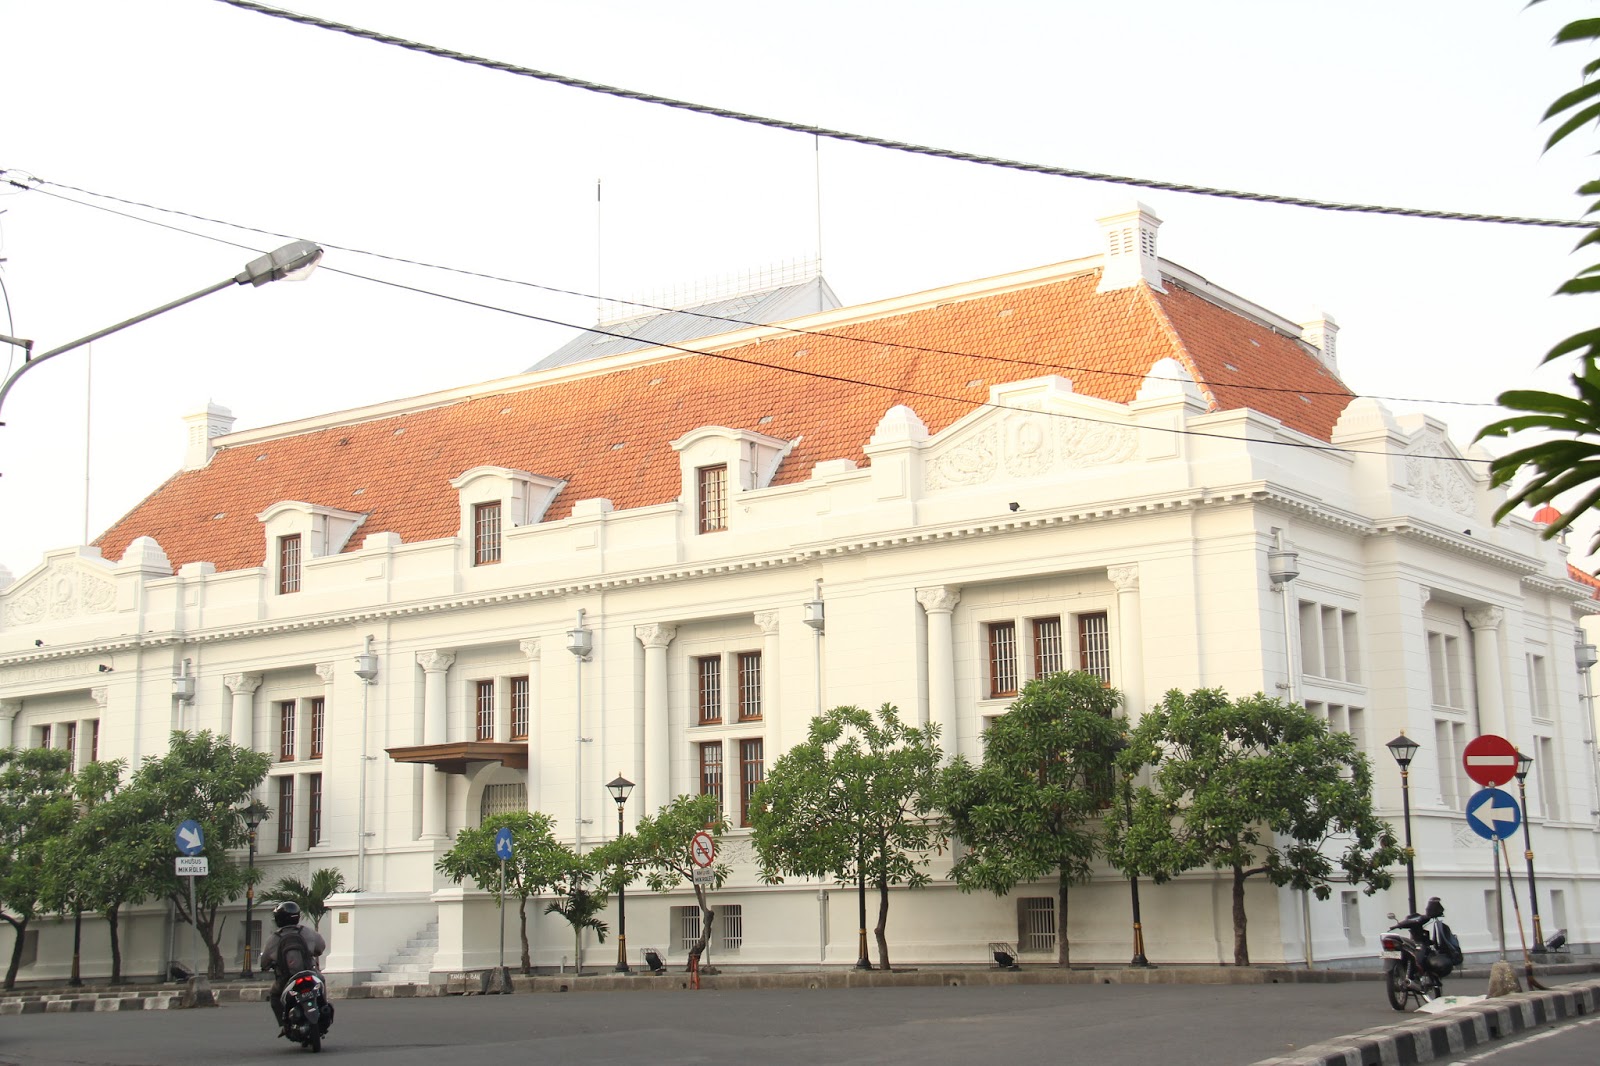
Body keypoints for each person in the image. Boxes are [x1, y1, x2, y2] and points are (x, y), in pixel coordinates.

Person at [260, 901, 331, 1036]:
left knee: (275, 996)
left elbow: (264, 962)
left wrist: (267, 965)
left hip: (287, 978)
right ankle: (323, 1006)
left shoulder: (274, 939)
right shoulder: (307, 932)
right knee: (321, 981)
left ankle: (284, 1024)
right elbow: (321, 947)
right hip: (310, 973)